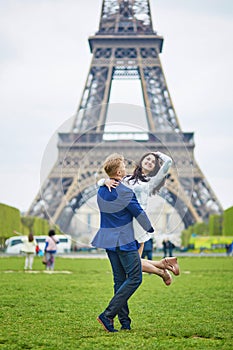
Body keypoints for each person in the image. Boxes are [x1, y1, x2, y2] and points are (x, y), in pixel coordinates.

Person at [92, 153, 155, 332]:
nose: (126, 169)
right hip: (124, 241)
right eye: (124, 167)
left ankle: (124, 323)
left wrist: (103, 181)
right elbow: (138, 213)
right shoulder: (126, 192)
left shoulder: (102, 190)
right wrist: (150, 229)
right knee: (135, 278)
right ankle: (108, 315)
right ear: (119, 171)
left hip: (108, 240)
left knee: (120, 281)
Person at [98, 151, 180, 286]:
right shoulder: (125, 179)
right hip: (124, 221)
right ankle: (162, 267)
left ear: (155, 168)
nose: (150, 162)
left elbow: (168, 163)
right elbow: (107, 180)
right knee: (133, 262)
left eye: (153, 162)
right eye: (147, 159)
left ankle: (162, 269)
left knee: (134, 262)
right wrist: (104, 181)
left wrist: (157, 154)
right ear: (141, 161)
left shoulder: (151, 182)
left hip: (137, 222)